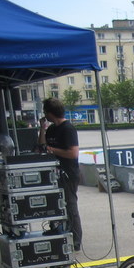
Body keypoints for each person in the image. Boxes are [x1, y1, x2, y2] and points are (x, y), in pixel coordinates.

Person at [38, 97, 82, 252]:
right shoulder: (51, 129)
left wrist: (53, 150)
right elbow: (42, 146)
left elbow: (73, 153)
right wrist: (42, 129)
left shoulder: (68, 129)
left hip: (68, 173)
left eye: (45, 112)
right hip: (53, 174)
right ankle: (56, 230)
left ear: (50, 113)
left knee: (70, 205)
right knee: (53, 205)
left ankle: (76, 239)